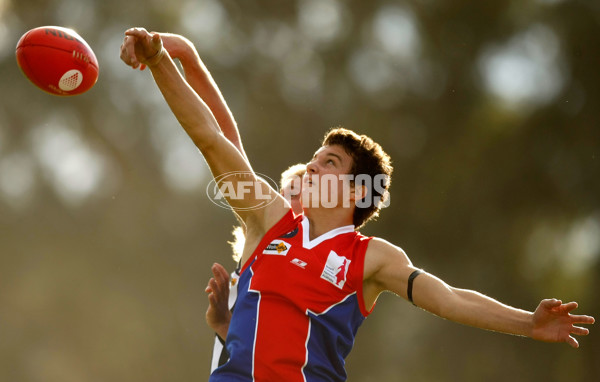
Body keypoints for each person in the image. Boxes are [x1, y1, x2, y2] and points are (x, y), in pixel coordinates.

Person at [119, 29, 595, 381]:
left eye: (328, 162)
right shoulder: (270, 219)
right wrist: (162, 58)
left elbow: (449, 299)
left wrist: (528, 323)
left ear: (355, 192)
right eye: (313, 157)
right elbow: (214, 139)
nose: (310, 167)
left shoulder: (370, 257)